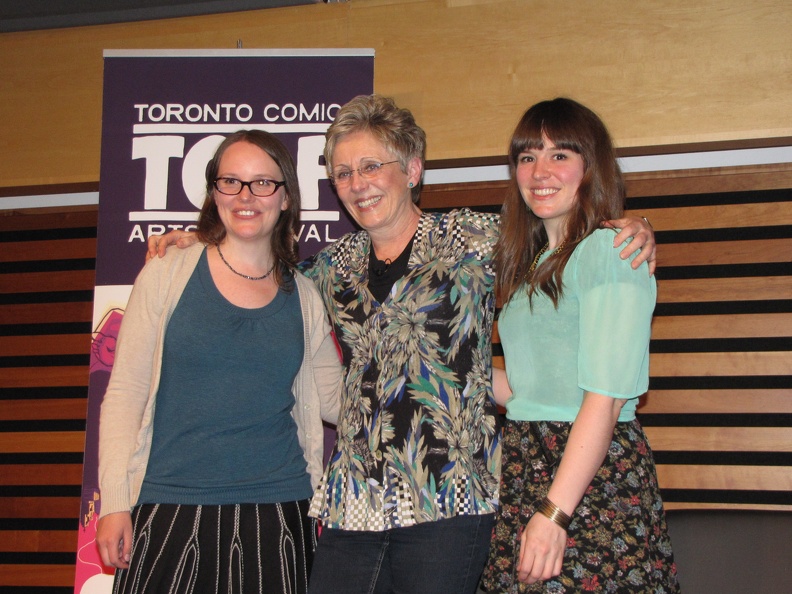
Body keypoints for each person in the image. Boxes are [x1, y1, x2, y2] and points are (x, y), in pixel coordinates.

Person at [148, 95, 657, 594]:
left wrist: (635, 227)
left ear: (413, 170)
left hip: (451, 495)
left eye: (372, 166)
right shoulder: (331, 268)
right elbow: (261, 274)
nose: (357, 184)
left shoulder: (476, 240)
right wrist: (204, 243)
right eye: (343, 173)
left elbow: (559, 228)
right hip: (355, 496)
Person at [96, 130, 342, 594]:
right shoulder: (165, 275)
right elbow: (125, 394)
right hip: (168, 505)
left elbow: (337, 400)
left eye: (263, 183)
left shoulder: (305, 295)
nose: (246, 196)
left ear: (286, 196)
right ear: (214, 193)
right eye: (231, 181)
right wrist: (114, 502)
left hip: (279, 512)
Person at [482, 98, 679, 593]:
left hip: (588, 480)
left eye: (560, 155)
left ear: (592, 167)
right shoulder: (532, 266)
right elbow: (530, 389)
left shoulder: (613, 251)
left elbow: (605, 398)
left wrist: (554, 512)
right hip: (530, 468)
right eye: (527, 157)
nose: (540, 171)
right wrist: (450, 371)